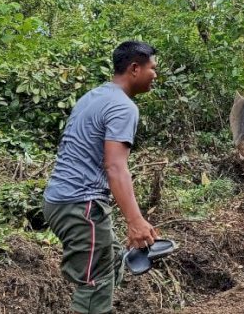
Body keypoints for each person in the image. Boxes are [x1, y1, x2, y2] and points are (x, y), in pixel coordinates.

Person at [43, 41, 159, 314]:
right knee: (96, 282)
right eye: (152, 68)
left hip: (60, 201)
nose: (155, 75)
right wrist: (135, 221)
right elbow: (115, 167)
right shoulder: (123, 107)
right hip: (80, 204)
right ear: (134, 68)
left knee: (111, 258)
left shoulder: (94, 96)